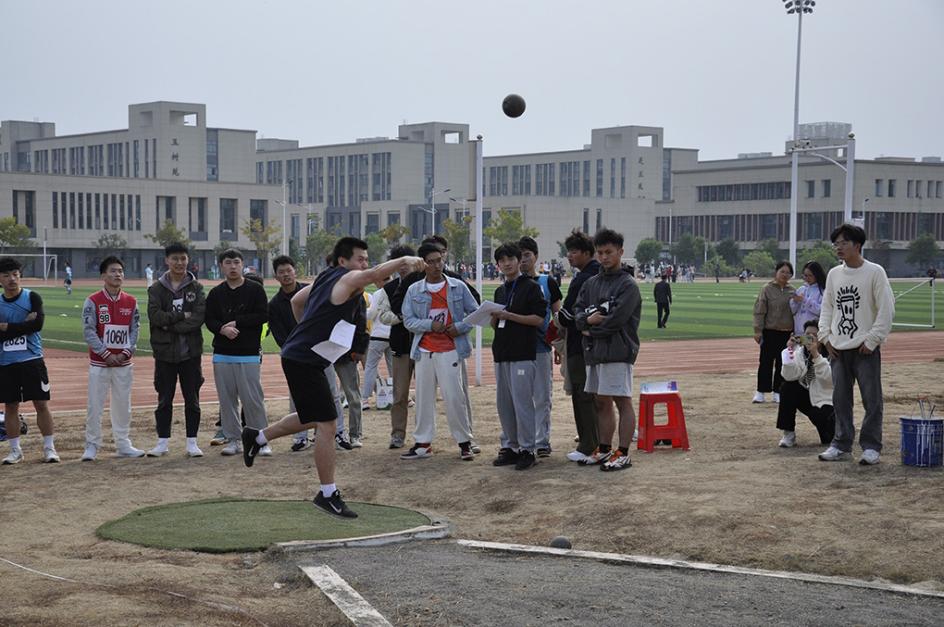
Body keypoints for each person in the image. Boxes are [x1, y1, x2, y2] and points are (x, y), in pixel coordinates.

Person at [240, 237, 425, 518]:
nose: (364, 264)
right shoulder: (346, 279)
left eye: (366, 258)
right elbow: (375, 274)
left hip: (306, 355)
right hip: (304, 358)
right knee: (327, 423)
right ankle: (327, 493)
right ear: (343, 261)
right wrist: (405, 260)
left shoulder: (327, 277)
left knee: (313, 415)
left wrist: (311, 330)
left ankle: (258, 437)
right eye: (360, 259)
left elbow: (298, 301)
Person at [817, 224, 895, 465]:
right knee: (840, 399)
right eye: (836, 244)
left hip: (864, 348)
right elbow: (827, 307)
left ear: (857, 245)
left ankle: (871, 446)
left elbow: (886, 308)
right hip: (838, 348)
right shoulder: (834, 274)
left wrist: (873, 340)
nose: (838, 248)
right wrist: (825, 338)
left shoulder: (875, 272)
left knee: (872, 399)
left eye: (843, 243)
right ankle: (841, 444)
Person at [400, 241, 479, 461]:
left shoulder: (457, 286)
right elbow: (408, 320)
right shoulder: (414, 290)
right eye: (431, 262)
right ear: (423, 264)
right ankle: (423, 443)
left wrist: (460, 327)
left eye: (440, 260)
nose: (437, 265)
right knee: (424, 398)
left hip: (451, 349)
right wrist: (429, 324)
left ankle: (465, 442)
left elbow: (475, 313)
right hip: (424, 350)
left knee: (455, 397)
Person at [574, 229, 642, 472]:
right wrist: (586, 323)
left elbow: (616, 321)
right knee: (601, 402)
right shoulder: (591, 283)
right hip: (594, 353)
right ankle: (603, 449)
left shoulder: (628, 285)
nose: (604, 257)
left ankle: (623, 452)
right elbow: (577, 314)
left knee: (622, 401)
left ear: (620, 252)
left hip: (617, 351)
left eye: (609, 252)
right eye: (600, 253)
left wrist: (589, 329)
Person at [205, 248, 270, 457]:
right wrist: (222, 329)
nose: (232, 266)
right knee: (227, 400)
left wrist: (237, 322)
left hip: (249, 353)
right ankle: (234, 439)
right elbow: (210, 319)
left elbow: (262, 315)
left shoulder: (255, 290)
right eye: (228, 263)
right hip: (223, 354)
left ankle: (261, 439)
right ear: (221, 266)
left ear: (242, 265)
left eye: (236, 262)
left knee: (253, 399)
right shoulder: (216, 293)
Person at [80, 256, 145, 461]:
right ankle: (92, 445)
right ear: (103, 275)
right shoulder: (93, 301)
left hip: (124, 364)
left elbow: (135, 329)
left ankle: (123, 444)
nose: (118, 275)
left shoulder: (131, 301)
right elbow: (89, 331)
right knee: (95, 405)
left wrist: (126, 352)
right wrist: (106, 354)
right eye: (113, 271)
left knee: (122, 405)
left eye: (120, 271)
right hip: (100, 363)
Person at [146, 242, 206, 458]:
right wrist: (181, 316)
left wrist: (169, 324)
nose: (179, 262)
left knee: (192, 399)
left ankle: (192, 442)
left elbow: (198, 319)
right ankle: (162, 442)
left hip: (190, 353)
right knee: (164, 399)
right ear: (167, 261)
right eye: (175, 259)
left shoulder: (196, 288)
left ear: (188, 260)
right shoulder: (156, 289)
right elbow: (155, 317)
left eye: (183, 258)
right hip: (164, 354)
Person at [490, 242, 547, 471]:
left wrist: (509, 315)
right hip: (502, 352)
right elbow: (496, 324)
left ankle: (527, 449)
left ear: (518, 261)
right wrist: (493, 317)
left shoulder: (531, 287)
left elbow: (538, 319)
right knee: (504, 403)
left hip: (523, 352)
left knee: (523, 402)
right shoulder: (500, 290)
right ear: (497, 265)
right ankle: (511, 447)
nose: (507, 264)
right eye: (502, 261)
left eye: (510, 259)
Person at [0, 257, 59, 464]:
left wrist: (6, 327)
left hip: (32, 359)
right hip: (6, 362)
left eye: (15, 274)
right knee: (10, 406)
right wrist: (23, 326)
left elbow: (37, 325)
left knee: (41, 403)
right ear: (0, 279)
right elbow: (27, 327)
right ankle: (15, 450)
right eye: (6, 275)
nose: (12, 279)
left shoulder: (32, 297)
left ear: (20, 276)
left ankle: (49, 448)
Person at [556, 230, 601, 463]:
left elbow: (566, 315)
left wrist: (560, 321)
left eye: (573, 252)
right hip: (597, 345)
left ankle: (588, 445)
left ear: (586, 252)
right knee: (596, 396)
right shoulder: (600, 274)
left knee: (582, 395)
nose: (569, 256)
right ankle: (596, 440)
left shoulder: (583, 278)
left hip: (579, 345)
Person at [518, 236, 562, 457]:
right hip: (518, 349)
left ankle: (542, 440)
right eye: (520, 255)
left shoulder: (548, 283)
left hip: (542, 346)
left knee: (543, 396)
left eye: (527, 255)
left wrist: (559, 345)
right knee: (521, 396)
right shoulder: (512, 283)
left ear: (536, 256)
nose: (523, 260)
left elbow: (557, 316)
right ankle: (524, 439)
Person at [268, 255, 311, 452]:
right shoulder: (275, 304)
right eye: (281, 272)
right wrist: (295, 349)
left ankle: (334, 433)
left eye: (289, 270)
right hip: (294, 355)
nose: (286, 275)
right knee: (297, 396)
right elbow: (279, 334)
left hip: (318, 350)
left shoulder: (310, 292)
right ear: (276, 276)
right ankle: (300, 437)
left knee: (330, 394)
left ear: (295, 271)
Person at [377, 245, 417, 449]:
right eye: (398, 263)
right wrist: (403, 318)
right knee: (400, 394)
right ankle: (398, 434)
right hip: (400, 348)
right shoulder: (388, 289)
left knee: (428, 394)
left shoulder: (423, 284)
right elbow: (383, 316)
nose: (403, 267)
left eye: (406, 263)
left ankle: (423, 436)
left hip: (424, 347)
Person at [776, 319, 835, 449]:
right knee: (787, 387)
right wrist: (789, 351)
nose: (811, 338)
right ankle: (788, 434)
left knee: (828, 439)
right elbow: (789, 376)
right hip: (808, 396)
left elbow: (830, 380)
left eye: (815, 335)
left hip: (827, 401)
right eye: (807, 334)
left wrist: (816, 355)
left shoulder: (833, 353)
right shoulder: (799, 352)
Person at [752, 261, 796, 404]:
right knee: (765, 362)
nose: (785, 275)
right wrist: (758, 330)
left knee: (782, 363)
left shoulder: (793, 291)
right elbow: (759, 311)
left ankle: (778, 391)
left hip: (786, 333)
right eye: (782, 271)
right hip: (769, 332)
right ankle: (761, 391)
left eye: (788, 272)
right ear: (776, 272)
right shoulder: (767, 289)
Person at [790, 261, 826, 336]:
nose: (807, 278)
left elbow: (821, 311)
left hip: (812, 332)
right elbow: (793, 311)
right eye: (805, 275)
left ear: (817, 275)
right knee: (798, 347)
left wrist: (805, 300)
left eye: (810, 275)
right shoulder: (801, 289)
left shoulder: (822, 291)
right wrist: (795, 301)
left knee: (809, 346)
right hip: (798, 331)